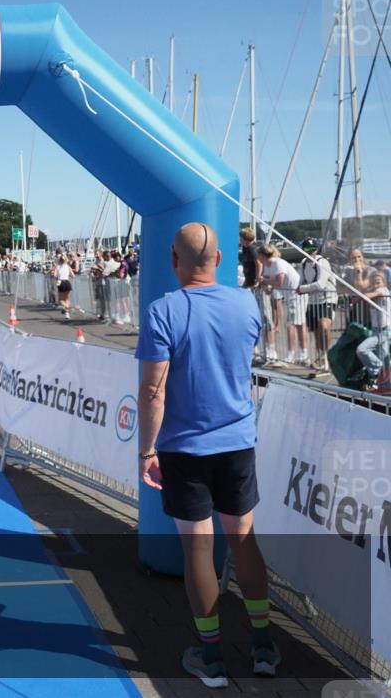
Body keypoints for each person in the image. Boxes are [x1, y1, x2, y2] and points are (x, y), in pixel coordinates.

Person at [136, 223, 279, 689]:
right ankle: (262, 646)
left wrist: (146, 449)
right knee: (243, 540)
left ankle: (212, 657)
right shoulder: (246, 303)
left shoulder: (163, 311)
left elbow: (153, 391)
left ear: (173, 260)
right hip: (237, 442)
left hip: (185, 447)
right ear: (219, 260)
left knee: (198, 547)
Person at [257, 244, 307, 366]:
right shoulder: (267, 266)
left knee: (292, 324)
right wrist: (265, 285)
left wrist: (263, 281)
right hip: (290, 295)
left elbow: (278, 281)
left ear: (263, 255)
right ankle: (302, 354)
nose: (257, 257)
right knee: (298, 324)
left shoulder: (276, 263)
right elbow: (270, 284)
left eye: (259, 255)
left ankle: (291, 356)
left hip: (297, 294)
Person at [296, 238, 337, 370]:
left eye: (313, 250)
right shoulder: (303, 263)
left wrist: (302, 289)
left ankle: (326, 355)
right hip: (313, 301)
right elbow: (301, 281)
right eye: (307, 250)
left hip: (327, 298)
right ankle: (321, 358)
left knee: (323, 325)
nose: (310, 252)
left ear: (317, 250)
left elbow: (320, 284)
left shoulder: (322, 262)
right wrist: (301, 288)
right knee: (316, 332)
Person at [356, 272, 391, 392]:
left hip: (384, 330)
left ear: (384, 282)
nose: (376, 285)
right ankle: (384, 385)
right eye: (374, 283)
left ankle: (378, 370)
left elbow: (372, 294)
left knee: (362, 349)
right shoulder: (374, 295)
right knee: (385, 358)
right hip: (377, 330)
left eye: (378, 282)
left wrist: (360, 296)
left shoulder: (384, 291)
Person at [52, 254, 74, 319]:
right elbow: (73, 275)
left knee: (60, 300)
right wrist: (67, 274)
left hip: (60, 281)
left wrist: (55, 275)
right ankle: (67, 313)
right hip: (67, 281)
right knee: (67, 299)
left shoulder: (58, 267)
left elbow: (55, 276)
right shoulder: (68, 266)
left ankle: (67, 308)